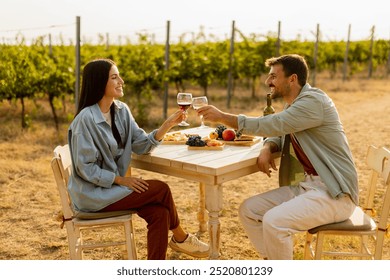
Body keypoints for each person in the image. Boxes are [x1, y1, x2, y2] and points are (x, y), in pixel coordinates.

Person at [197, 54, 358, 260]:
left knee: (274, 221)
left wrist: (223, 117)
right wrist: (268, 146)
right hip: (309, 186)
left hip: (335, 194)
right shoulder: (295, 104)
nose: (268, 82)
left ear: (292, 79)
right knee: (249, 210)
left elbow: (274, 124)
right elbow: (280, 130)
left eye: (273, 76)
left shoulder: (313, 102)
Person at [67, 58, 209, 260]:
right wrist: (121, 180)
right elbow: (85, 169)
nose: (121, 81)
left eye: (119, 76)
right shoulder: (85, 120)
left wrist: (167, 125)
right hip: (93, 195)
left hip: (112, 189)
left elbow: (141, 145)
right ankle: (181, 237)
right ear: (99, 82)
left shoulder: (121, 110)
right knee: (161, 189)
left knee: (160, 213)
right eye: (114, 77)